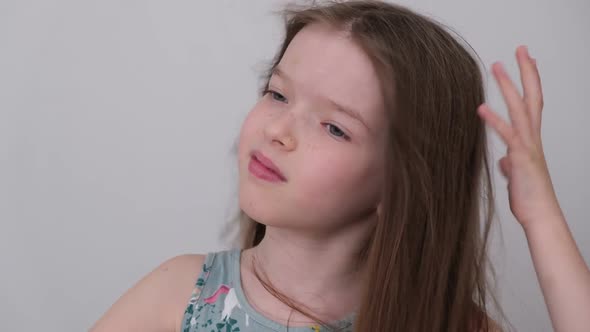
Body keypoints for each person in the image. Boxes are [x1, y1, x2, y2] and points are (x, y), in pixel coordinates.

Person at [90, 1, 590, 331]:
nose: (277, 131)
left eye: (334, 127)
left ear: (399, 183)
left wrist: (541, 217)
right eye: (277, 93)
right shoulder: (178, 296)